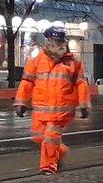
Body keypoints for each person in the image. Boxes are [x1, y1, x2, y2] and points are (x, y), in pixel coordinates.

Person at [14, 27, 91, 174]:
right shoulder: (36, 61)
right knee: (38, 137)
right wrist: (21, 102)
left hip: (62, 110)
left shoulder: (73, 62)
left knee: (50, 137)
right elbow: (27, 82)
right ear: (48, 41)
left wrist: (84, 105)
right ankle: (58, 151)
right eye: (55, 40)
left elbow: (81, 84)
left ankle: (48, 167)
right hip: (40, 110)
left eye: (61, 40)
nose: (59, 43)